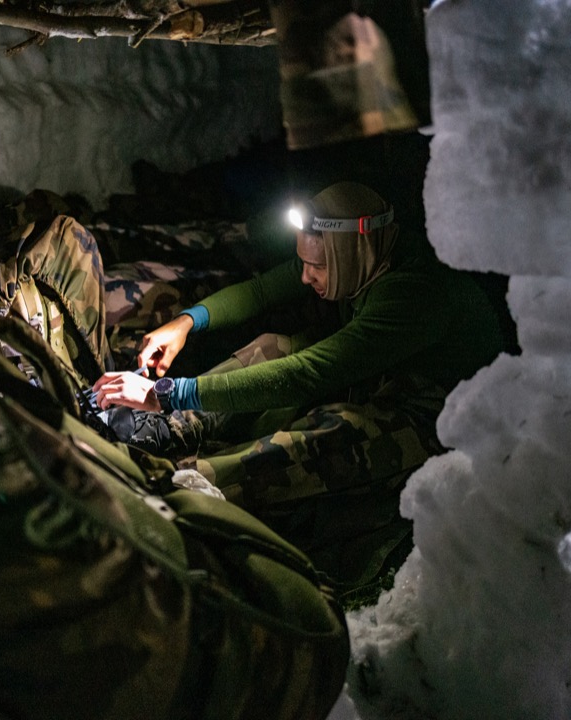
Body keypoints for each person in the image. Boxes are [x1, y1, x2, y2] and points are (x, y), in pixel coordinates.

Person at [92, 181, 510, 592]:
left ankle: (190, 485)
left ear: (355, 251)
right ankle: (177, 426)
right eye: (304, 264)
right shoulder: (357, 258)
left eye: (318, 267)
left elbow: (309, 373)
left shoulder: (415, 294)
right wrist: (185, 323)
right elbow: (259, 292)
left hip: (444, 422)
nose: (307, 277)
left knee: (340, 429)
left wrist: (166, 393)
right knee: (273, 347)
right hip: (384, 375)